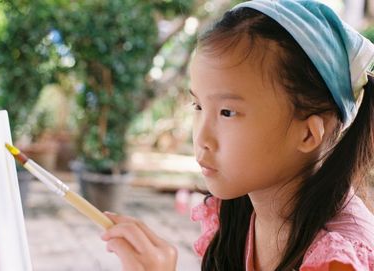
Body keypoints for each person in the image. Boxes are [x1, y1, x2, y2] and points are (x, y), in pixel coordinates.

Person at [100, 0, 374, 270]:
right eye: (198, 106)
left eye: (227, 113)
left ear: (307, 134)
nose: (202, 139)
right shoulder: (240, 214)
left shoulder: (339, 258)